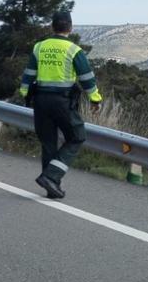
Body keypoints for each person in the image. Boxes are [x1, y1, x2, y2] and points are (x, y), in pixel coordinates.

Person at [19, 11, 103, 199]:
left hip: (40, 101)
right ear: (70, 28)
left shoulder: (39, 47)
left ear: (52, 27)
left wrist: (24, 93)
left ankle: (51, 185)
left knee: (48, 143)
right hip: (62, 102)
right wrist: (95, 99)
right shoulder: (73, 50)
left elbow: (28, 74)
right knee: (77, 136)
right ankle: (51, 177)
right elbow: (87, 78)